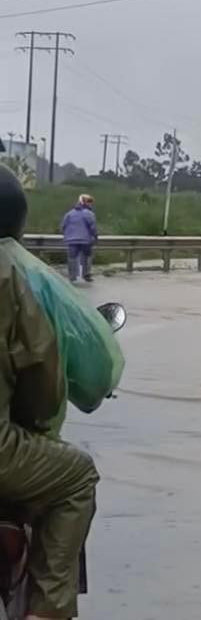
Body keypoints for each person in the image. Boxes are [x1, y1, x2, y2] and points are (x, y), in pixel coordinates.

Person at [0, 165, 99, 619]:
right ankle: (46, 613)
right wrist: (41, 428)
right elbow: (43, 381)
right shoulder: (13, 275)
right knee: (77, 476)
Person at [59, 195, 97, 283]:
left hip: (71, 240)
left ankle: (72, 276)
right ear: (84, 202)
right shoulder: (89, 214)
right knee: (87, 256)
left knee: (72, 258)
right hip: (85, 240)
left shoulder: (69, 213)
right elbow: (92, 227)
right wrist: (95, 236)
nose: (90, 204)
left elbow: (62, 226)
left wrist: (67, 235)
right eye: (89, 202)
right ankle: (86, 274)